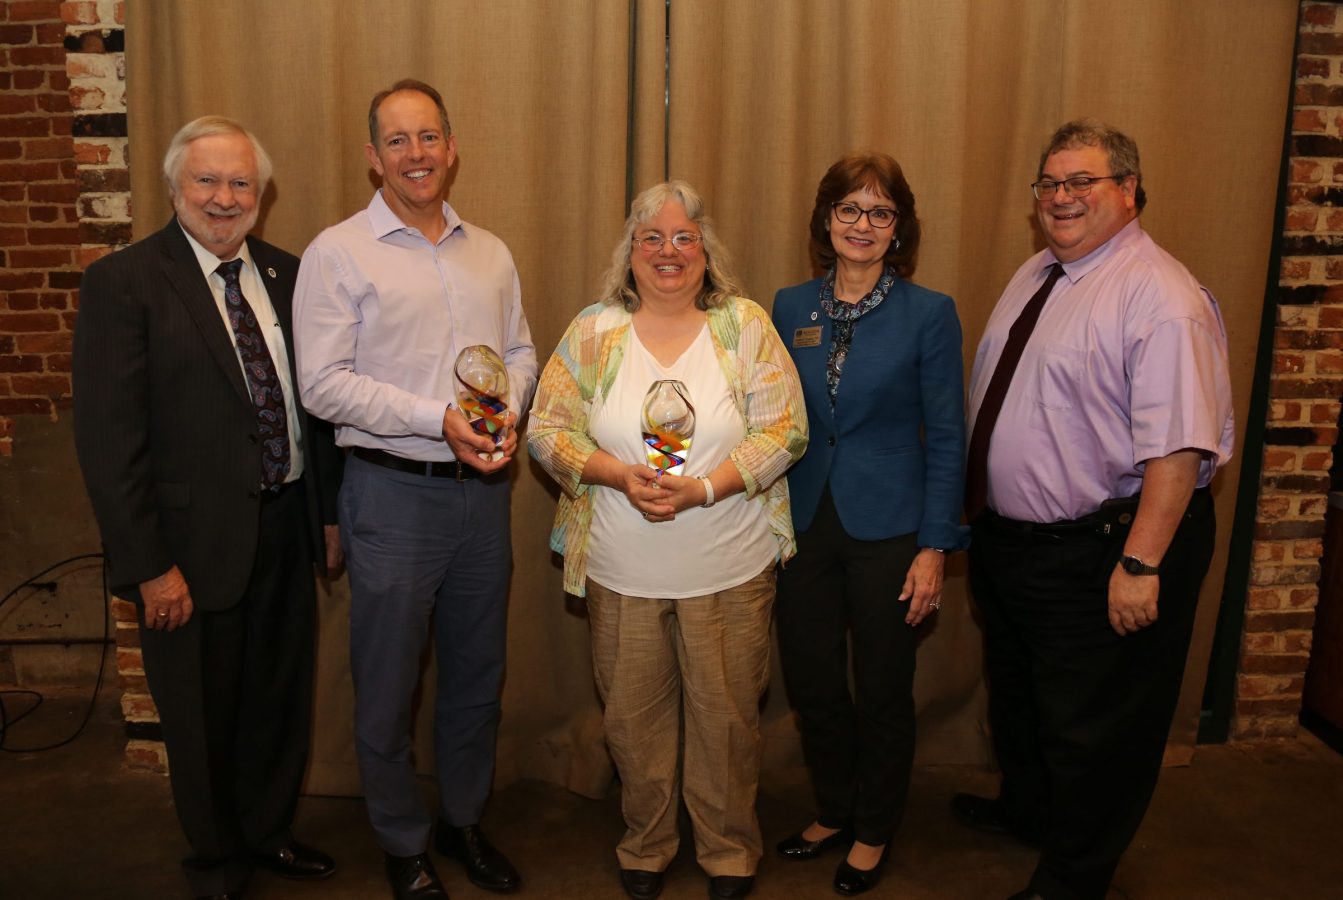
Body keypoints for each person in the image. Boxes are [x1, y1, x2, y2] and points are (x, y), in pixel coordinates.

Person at [953, 119, 1235, 900]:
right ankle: (1029, 813)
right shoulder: (1040, 273)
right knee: (1024, 700)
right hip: (1014, 543)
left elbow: (1178, 452)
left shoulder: (1161, 298)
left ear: (1128, 191)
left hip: (1103, 547)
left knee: (1093, 727)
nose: (1061, 197)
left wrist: (1139, 566)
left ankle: (1074, 876)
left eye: (1082, 182)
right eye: (1049, 183)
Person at [72, 116, 344, 900]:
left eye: (240, 184)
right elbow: (108, 442)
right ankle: (218, 861)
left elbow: (314, 413)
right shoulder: (124, 282)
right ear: (173, 188)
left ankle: (267, 834)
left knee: (276, 702)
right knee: (200, 717)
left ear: (261, 195)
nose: (224, 199)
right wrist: (150, 566)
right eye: (208, 181)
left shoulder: (290, 276)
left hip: (287, 527)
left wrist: (324, 517)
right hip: (187, 548)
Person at [528, 180, 807, 900]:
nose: (668, 251)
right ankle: (646, 842)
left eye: (684, 237)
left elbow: (786, 429)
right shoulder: (593, 331)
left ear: (706, 252)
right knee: (632, 720)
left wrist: (704, 487)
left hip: (730, 566)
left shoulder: (743, 327)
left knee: (727, 722)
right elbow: (546, 429)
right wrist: (617, 474)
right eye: (651, 238)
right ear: (629, 253)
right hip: (622, 570)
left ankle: (726, 850)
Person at [293, 79, 537, 900]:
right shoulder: (338, 253)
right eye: (396, 141)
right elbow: (321, 384)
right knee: (388, 683)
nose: (416, 154)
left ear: (452, 146)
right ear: (372, 158)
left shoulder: (491, 252)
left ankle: (462, 821)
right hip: (390, 497)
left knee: (476, 675)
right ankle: (402, 842)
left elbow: (521, 352)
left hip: (482, 498)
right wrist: (439, 418)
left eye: (428, 137)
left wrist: (507, 409)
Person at [769, 154, 968, 896]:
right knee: (814, 683)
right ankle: (834, 808)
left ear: (899, 229)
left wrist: (933, 546)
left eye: (879, 213)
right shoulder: (788, 307)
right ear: (826, 220)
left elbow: (947, 436)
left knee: (882, 687)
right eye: (849, 210)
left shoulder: (928, 312)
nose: (862, 225)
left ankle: (874, 827)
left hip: (890, 528)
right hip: (803, 520)